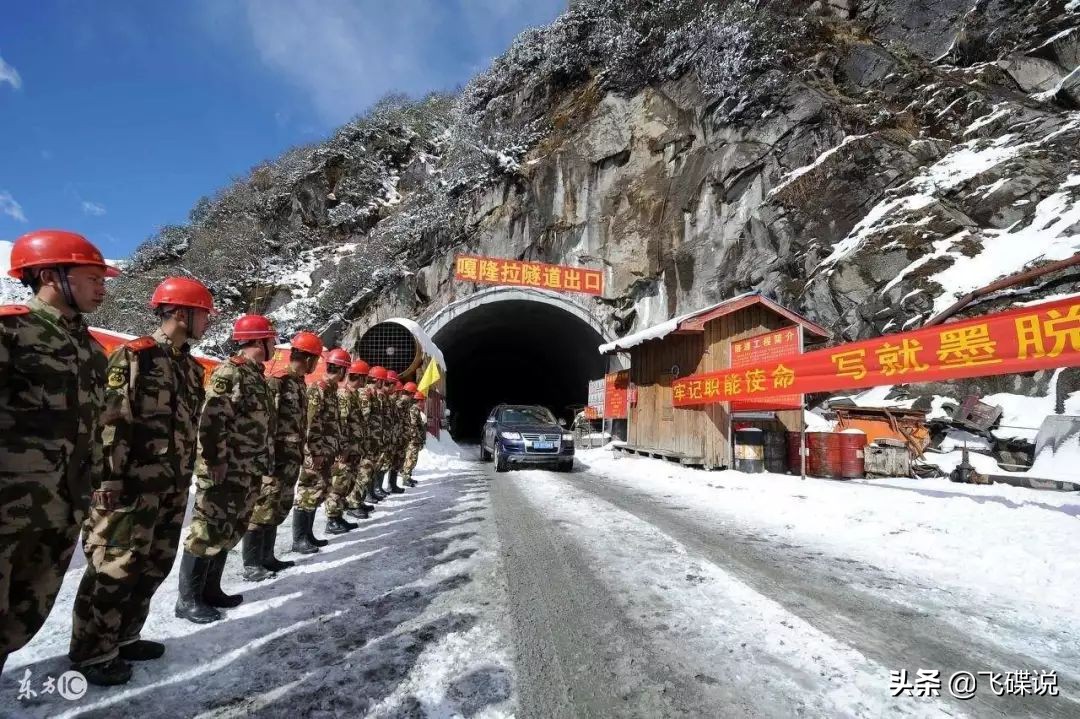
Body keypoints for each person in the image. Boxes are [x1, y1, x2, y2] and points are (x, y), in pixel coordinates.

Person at [68, 277, 213, 685]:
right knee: (112, 569)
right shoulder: (136, 357)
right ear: (181, 314)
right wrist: (108, 480)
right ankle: (91, 652)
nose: (208, 323)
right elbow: (112, 421)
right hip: (128, 488)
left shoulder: (188, 367)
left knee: (153, 566)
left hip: (169, 486)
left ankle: (125, 636)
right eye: (203, 314)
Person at [0, 230, 114, 674]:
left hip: (61, 507)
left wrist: (99, 481)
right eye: (92, 277)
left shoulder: (91, 350)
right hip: (8, 509)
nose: (102, 287)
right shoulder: (12, 331)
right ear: (49, 275)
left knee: (21, 618)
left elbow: (94, 428)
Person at [174, 314, 276, 624]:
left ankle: (210, 589)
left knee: (228, 529)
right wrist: (215, 461)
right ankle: (187, 600)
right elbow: (212, 420)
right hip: (225, 468)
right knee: (206, 530)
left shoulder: (256, 376)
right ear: (258, 341)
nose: (274, 344)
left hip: (247, 468)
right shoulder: (229, 374)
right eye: (271, 340)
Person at [241, 331, 322, 580]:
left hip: (290, 457)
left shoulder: (299, 383)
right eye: (315, 359)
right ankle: (252, 564)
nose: (317, 364)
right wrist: (267, 459)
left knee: (278, 507)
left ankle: (268, 556)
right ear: (307, 359)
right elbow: (267, 422)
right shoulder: (279, 380)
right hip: (275, 458)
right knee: (263, 507)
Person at [291, 348, 347, 553]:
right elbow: (311, 423)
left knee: (317, 492)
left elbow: (332, 424)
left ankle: (308, 535)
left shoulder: (331, 390)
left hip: (326, 451)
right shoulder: (319, 389)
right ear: (341, 370)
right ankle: (299, 539)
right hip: (315, 452)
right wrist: (315, 451)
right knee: (308, 491)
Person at [344, 360, 376, 520]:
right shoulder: (350, 394)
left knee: (359, 474)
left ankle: (357, 501)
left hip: (360, 443)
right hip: (350, 445)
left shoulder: (357, 394)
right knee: (346, 478)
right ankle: (351, 504)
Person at [363, 366, 391, 506]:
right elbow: (365, 417)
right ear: (378, 381)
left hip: (375, 439)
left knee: (372, 468)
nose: (385, 385)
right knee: (365, 470)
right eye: (384, 382)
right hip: (368, 440)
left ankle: (369, 494)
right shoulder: (368, 393)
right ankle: (361, 499)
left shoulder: (376, 394)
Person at [400, 390, 428, 487]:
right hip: (413, 440)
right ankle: (405, 478)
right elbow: (413, 427)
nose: (423, 403)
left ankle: (408, 476)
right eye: (422, 401)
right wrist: (416, 438)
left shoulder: (416, 410)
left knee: (413, 459)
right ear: (419, 401)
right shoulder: (413, 410)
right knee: (410, 458)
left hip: (415, 439)